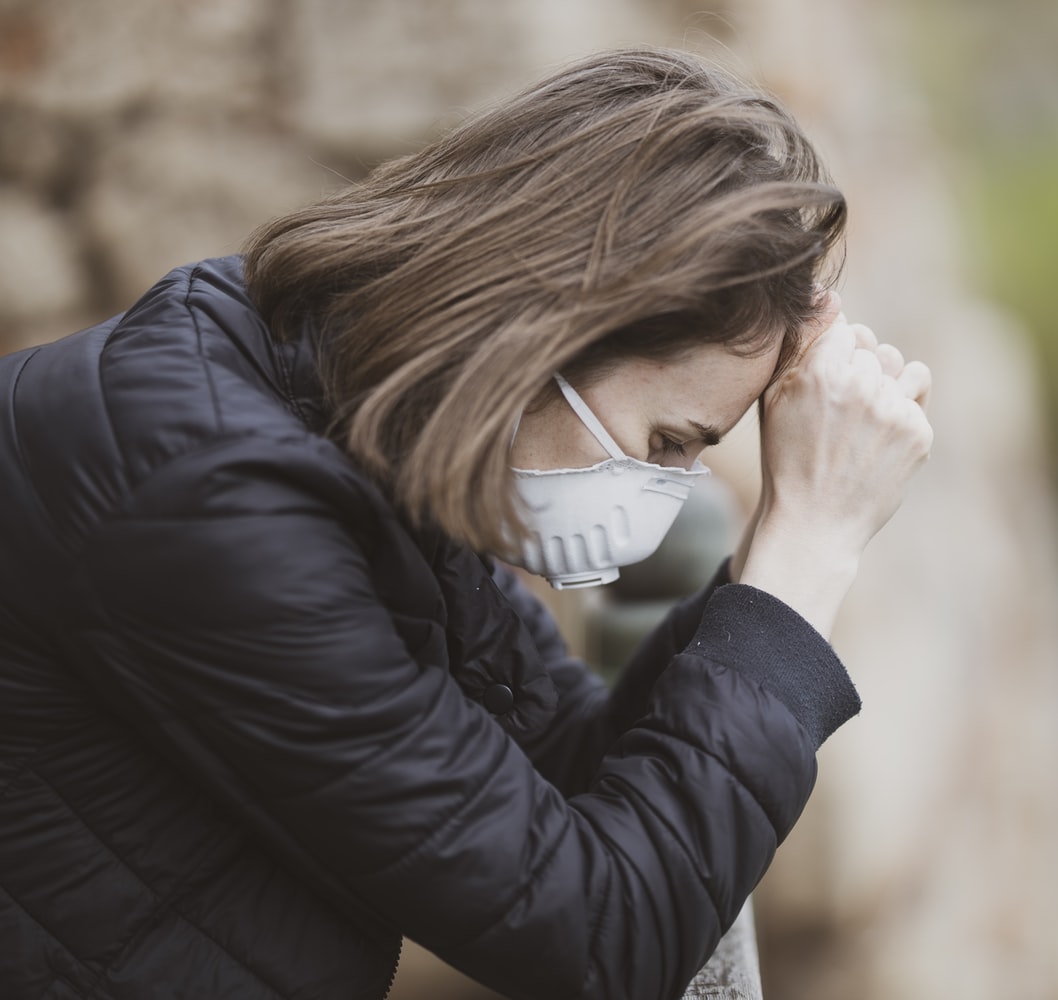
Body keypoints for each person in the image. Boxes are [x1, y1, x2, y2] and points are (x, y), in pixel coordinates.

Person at [0, 47, 932, 1000]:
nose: (664, 493)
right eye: (665, 441)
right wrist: (809, 552)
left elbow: (572, 778)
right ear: (552, 325)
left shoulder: (342, 422)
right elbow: (596, 941)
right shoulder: (212, 494)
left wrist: (762, 572)